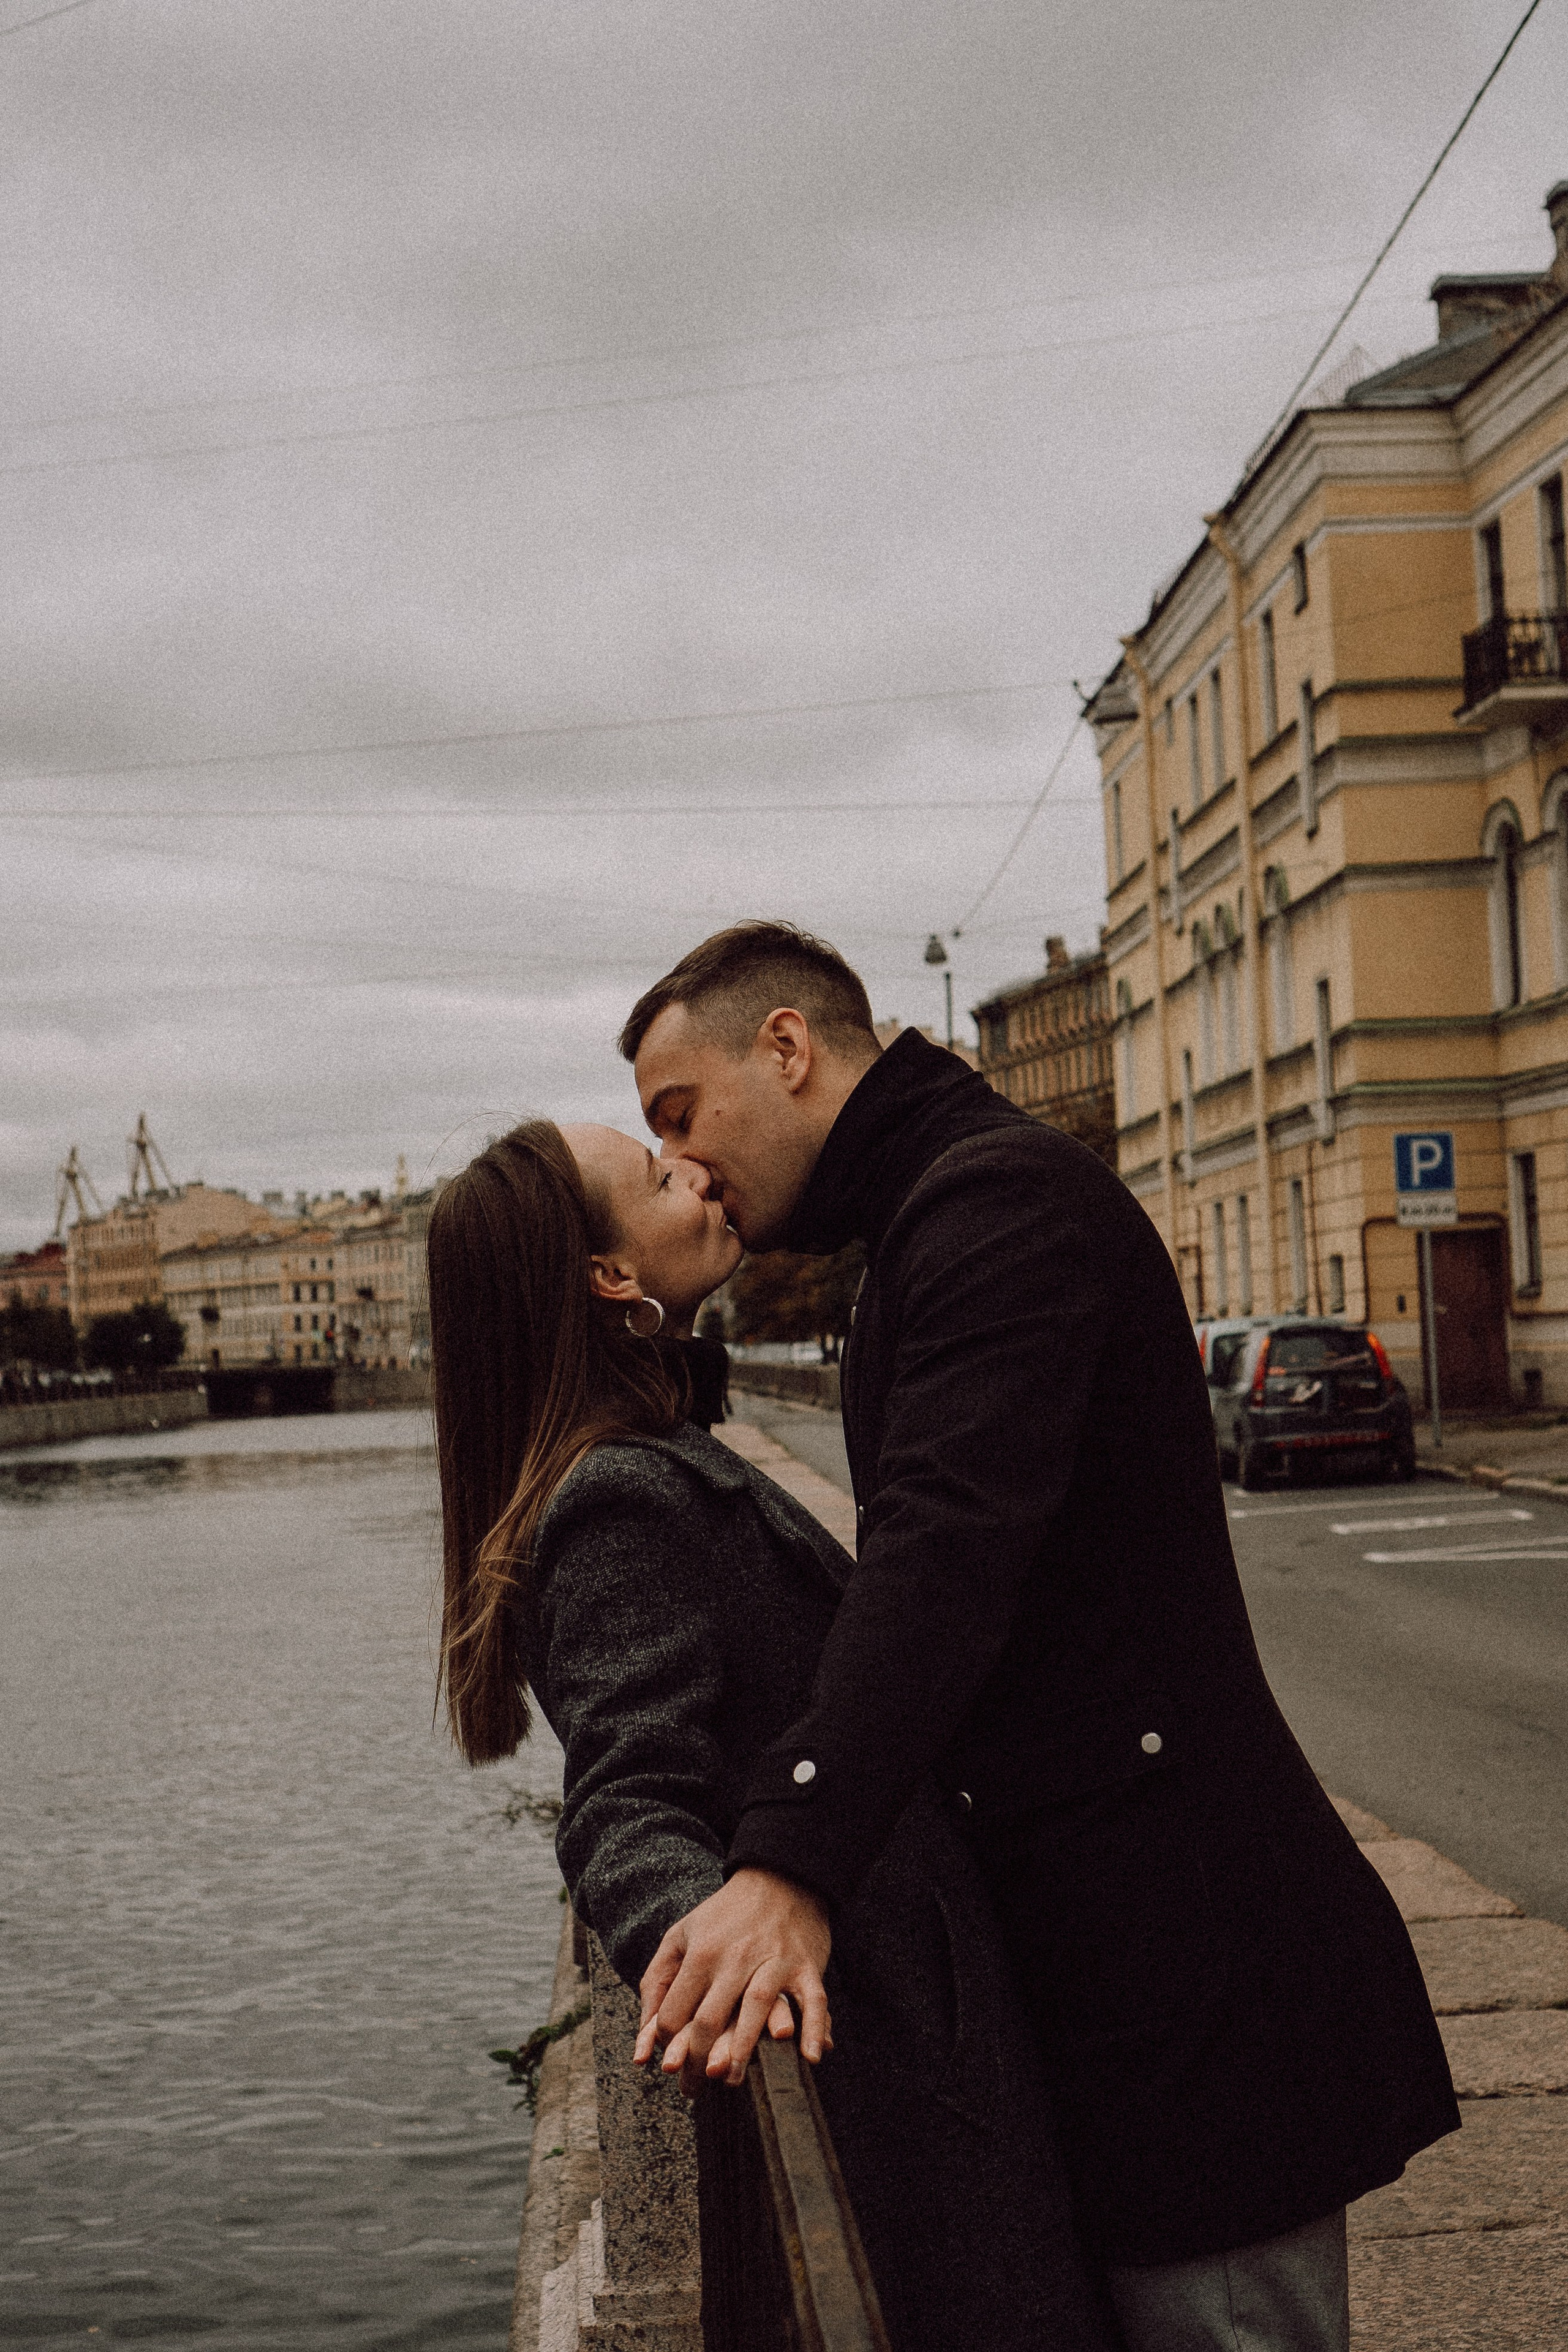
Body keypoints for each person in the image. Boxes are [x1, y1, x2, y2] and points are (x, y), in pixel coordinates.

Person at [620, 921, 1460, 2352]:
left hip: (1191, 1973)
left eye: (680, 1118)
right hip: (1125, 1963)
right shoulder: (936, 1206)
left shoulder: (992, 1203)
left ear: (786, 1048)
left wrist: (788, 1858)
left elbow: (944, 1552)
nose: (686, 1168)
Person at [425, 1117, 1120, 2352]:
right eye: (656, 1177)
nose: (692, 1175)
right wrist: (708, 1940)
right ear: (608, 1278)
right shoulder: (620, 1497)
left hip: (909, 2033)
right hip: (889, 2063)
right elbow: (622, 1799)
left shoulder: (658, 1454)